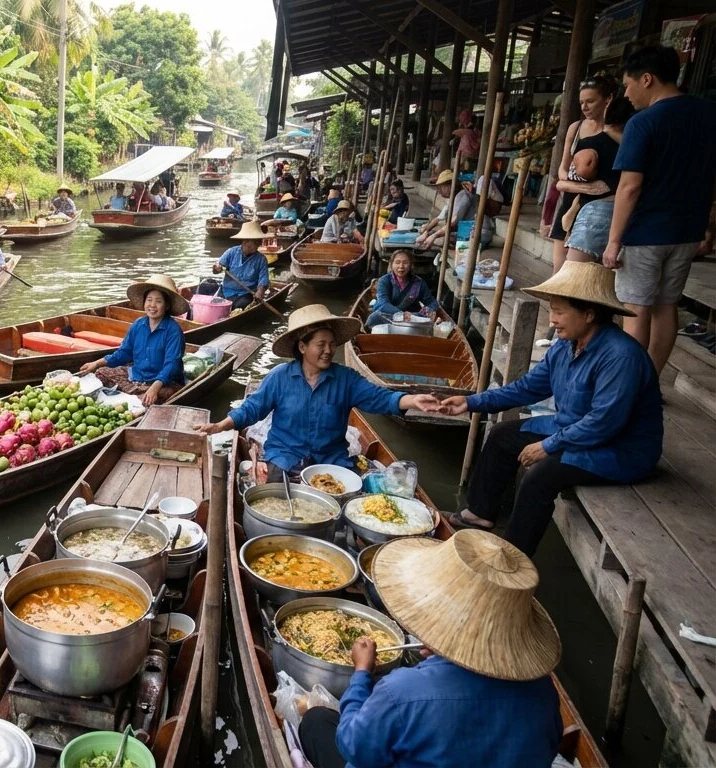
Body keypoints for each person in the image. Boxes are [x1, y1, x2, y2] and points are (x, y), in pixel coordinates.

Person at [437, 262, 662, 556]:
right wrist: (471, 401)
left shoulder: (621, 356)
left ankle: (513, 556)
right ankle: (480, 514)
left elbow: (604, 423)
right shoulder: (565, 345)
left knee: (540, 475)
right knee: (502, 436)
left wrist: (548, 445)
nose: (552, 320)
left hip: (618, 449)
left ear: (589, 314)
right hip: (572, 431)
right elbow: (527, 388)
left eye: (559, 311)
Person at [298, 529, 564, 768]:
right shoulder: (545, 693)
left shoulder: (402, 691)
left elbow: (354, 748)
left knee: (316, 721)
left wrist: (361, 674)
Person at [194, 305, 439, 479]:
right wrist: (220, 426)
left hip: (331, 461)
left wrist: (413, 400)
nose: (328, 350)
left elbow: (382, 399)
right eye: (320, 344)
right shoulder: (280, 377)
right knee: (272, 504)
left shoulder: (346, 380)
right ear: (302, 347)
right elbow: (252, 408)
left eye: (332, 344)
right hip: (285, 458)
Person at [605, 44, 716, 375]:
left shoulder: (643, 122)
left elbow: (629, 187)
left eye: (628, 84)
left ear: (647, 79)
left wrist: (613, 241)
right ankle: (649, 378)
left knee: (636, 307)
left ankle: (629, 385)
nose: (626, 93)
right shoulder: (710, 114)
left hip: (645, 233)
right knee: (666, 305)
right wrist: (710, 225)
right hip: (688, 231)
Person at [78, 275, 187, 406]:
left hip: (163, 382)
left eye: (158, 301)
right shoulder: (138, 324)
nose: (152, 305)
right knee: (101, 373)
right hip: (137, 376)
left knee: (158, 397)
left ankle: (136, 395)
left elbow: (172, 365)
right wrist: (96, 363)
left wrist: (155, 387)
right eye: (149, 300)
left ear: (167, 305)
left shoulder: (173, 330)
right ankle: (136, 394)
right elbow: (124, 353)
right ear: (144, 302)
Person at [547, 77, 618, 272]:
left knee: (582, 272)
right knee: (558, 270)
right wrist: (581, 187)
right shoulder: (576, 128)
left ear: (608, 99)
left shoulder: (619, 130)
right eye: (581, 102)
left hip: (600, 207)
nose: (585, 107)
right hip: (573, 200)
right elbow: (562, 170)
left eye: (590, 101)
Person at [414, 170, 492, 250]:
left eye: (442, 187)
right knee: (437, 239)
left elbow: (452, 223)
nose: (439, 191)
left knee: (440, 241)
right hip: (470, 232)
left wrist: (433, 235)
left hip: (479, 234)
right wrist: (429, 233)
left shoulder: (462, 195)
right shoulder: (455, 198)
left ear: (451, 186)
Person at [366, 250, 439, 328]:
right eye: (397, 262)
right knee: (375, 317)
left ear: (411, 265)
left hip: (411, 319)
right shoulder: (384, 281)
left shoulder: (418, 283)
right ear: (391, 264)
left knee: (425, 318)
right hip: (389, 316)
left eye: (405, 263)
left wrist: (428, 311)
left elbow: (432, 302)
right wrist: (402, 314)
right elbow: (383, 304)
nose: (401, 266)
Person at [213, 221, 272, 310]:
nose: (258, 245)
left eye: (258, 242)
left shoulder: (261, 259)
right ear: (246, 242)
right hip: (226, 291)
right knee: (215, 303)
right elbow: (217, 268)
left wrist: (260, 291)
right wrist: (217, 267)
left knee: (240, 306)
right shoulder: (231, 252)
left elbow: (263, 279)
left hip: (245, 294)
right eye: (255, 242)